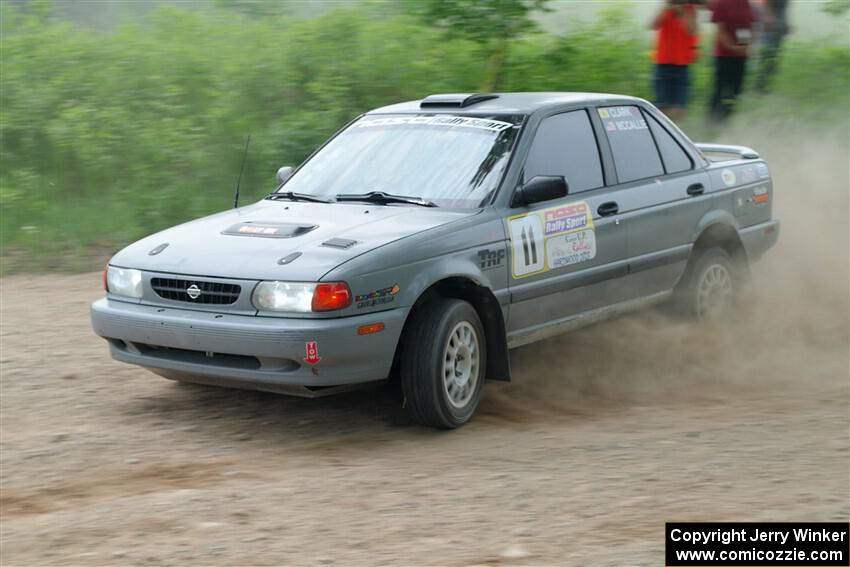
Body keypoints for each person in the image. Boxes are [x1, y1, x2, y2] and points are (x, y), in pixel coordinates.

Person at [708, 0, 758, 123]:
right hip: (724, 56)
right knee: (720, 90)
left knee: (736, 91)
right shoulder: (721, 3)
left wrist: (747, 46)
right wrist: (733, 48)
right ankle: (712, 121)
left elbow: (750, 26)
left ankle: (726, 119)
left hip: (741, 56)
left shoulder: (745, 3)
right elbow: (721, 29)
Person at [650, 0, 700, 122]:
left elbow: (692, 30)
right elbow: (652, 25)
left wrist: (682, 12)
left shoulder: (690, 9)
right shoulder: (666, 9)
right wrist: (666, 8)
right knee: (662, 107)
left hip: (682, 66)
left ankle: (676, 134)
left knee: (680, 109)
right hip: (663, 64)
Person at [755, 0, 790, 93]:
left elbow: (784, 6)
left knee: (774, 54)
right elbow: (766, 2)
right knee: (767, 52)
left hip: (779, 19)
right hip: (770, 20)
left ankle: (765, 84)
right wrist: (769, 17)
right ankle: (759, 84)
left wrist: (785, 22)